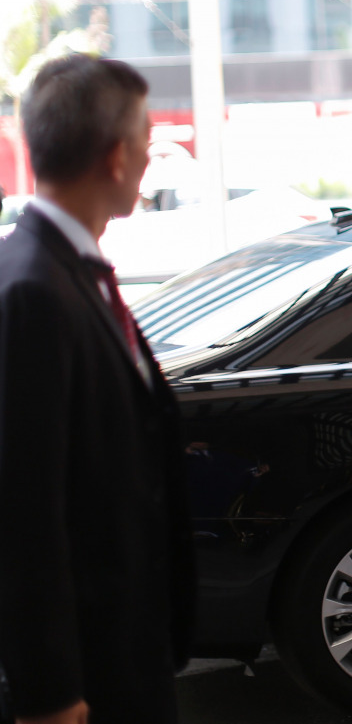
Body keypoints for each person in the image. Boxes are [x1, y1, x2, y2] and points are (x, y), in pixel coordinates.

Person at [0, 54, 195, 724]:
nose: (149, 157)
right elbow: (22, 510)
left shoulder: (68, 271)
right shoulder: (31, 289)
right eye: (146, 138)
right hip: (86, 676)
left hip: (126, 648)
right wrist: (49, 692)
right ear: (116, 158)